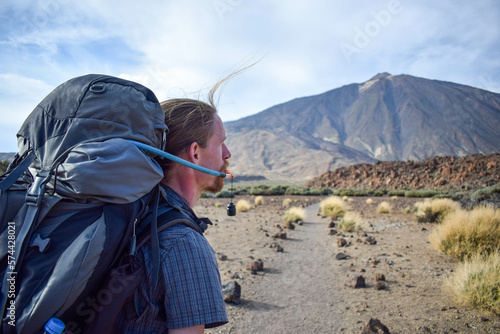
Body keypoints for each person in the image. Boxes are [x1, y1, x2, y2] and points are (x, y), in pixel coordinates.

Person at [115, 86, 231, 333]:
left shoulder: (134, 212)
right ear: (195, 153)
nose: (227, 154)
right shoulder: (184, 242)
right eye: (221, 143)